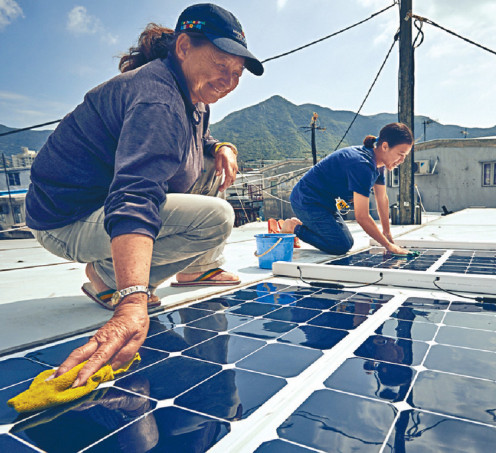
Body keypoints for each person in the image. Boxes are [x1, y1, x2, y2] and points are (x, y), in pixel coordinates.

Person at [24, 3, 263, 387]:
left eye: (237, 73)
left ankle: (193, 267)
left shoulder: (193, 96)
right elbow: (135, 193)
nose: (229, 80)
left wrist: (223, 146)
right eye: (222, 64)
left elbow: (196, 140)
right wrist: (132, 300)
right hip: (65, 220)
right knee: (218, 218)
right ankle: (107, 277)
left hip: (101, 206)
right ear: (183, 46)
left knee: (208, 168)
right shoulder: (158, 98)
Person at [282, 122, 413, 255]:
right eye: (400, 154)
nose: (402, 160)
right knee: (340, 245)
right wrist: (388, 246)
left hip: (326, 203)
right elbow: (362, 216)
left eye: (405, 156)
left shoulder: (378, 164)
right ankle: (294, 227)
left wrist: (387, 234)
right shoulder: (362, 165)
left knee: (346, 241)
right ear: (385, 146)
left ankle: (300, 225)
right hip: (306, 200)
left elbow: (382, 198)